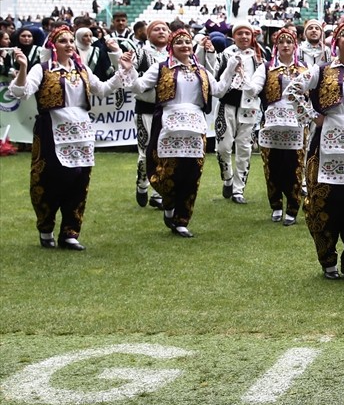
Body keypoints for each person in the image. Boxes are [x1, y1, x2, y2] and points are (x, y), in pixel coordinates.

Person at [8, 26, 135, 250]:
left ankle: (70, 232)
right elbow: (21, 92)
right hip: (51, 129)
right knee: (50, 180)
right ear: (53, 45)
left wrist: (121, 71)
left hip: (81, 132)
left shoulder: (82, 69)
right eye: (63, 41)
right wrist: (23, 68)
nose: (69, 44)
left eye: (70, 41)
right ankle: (46, 227)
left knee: (79, 180)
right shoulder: (43, 68)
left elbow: (103, 89)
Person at [288, 16, 344, 281]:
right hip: (325, 142)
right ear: (336, 41)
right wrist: (312, 115)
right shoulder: (321, 70)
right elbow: (292, 90)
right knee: (325, 201)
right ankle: (327, 259)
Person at [133, 28, 239, 238]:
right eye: (179, 42)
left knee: (191, 174)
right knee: (167, 170)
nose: (184, 46)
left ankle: (182, 219)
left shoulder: (201, 70)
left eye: (188, 42)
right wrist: (127, 70)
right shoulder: (161, 67)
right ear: (172, 46)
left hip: (195, 127)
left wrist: (231, 69)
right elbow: (139, 87)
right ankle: (169, 205)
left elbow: (218, 90)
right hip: (168, 125)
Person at [243, 28, 307, 225]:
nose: (285, 45)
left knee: (294, 166)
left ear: (295, 45)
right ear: (276, 46)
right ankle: (276, 205)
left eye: (289, 42)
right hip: (272, 122)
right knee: (272, 166)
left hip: (295, 123)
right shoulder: (266, 68)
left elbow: (310, 93)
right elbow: (255, 88)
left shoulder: (303, 69)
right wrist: (243, 78)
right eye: (282, 42)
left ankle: (293, 207)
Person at [212, 21, 263, 204]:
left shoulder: (258, 55)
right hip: (227, 105)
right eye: (239, 33)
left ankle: (238, 189)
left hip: (250, 107)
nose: (243, 37)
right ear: (233, 37)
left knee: (244, 149)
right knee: (223, 147)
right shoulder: (225, 55)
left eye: (247, 34)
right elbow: (216, 78)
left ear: (251, 36)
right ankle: (227, 177)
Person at [131, 19, 172, 208]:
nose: (161, 32)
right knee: (145, 153)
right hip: (146, 109)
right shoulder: (141, 54)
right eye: (156, 29)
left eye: (164, 29)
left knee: (163, 153)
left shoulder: (174, 55)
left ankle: (158, 193)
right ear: (148, 34)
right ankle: (142, 183)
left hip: (167, 110)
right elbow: (130, 77)